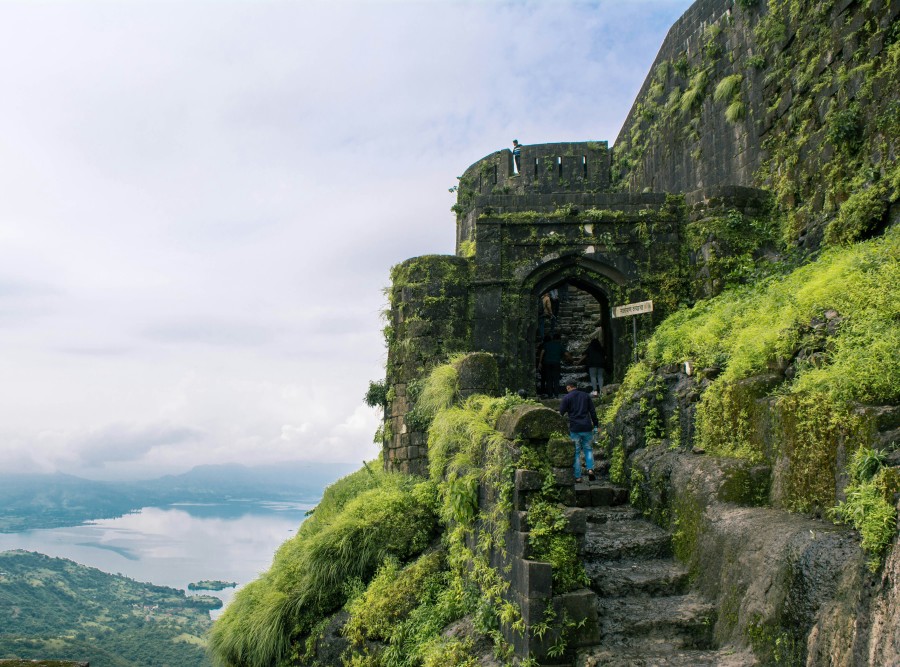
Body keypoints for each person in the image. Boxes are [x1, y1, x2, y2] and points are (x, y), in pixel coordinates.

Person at [559, 381, 599, 483]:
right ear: (576, 387)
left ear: (568, 387)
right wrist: (596, 425)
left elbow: (561, 413)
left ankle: (578, 476)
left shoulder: (567, 398)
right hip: (586, 427)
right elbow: (592, 411)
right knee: (588, 450)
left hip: (575, 428)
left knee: (576, 453)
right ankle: (590, 469)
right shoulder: (585, 396)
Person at [579, 322, 605, 397]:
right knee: (600, 377)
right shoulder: (601, 349)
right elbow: (605, 356)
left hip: (592, 365)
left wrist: (578, 362)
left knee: (593, 377)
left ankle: (595, 391)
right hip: (601, 364)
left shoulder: (590, 348)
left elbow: (584, 355)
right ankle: (602, 391)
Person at [541, 333, 564, 397]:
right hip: (556, 363)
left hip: (547, 363)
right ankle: (556, 394)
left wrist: (540, 362)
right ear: (559, 339)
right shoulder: (559, 345)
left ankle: (550, 394)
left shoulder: (546, 344)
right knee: (556, 379)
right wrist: (572, 360)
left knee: (549, 379)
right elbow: (567, 354)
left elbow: (542, 352)